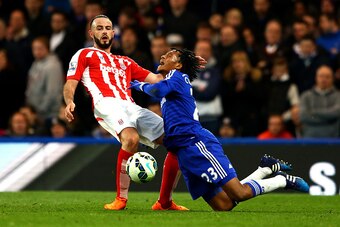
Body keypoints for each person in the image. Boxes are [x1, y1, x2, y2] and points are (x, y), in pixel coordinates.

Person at [129, 48, 309, 211]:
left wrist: (137, 84)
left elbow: (157, 91)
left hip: (196, 144)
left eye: (169, 55)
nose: (162, 56)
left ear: (178, 64)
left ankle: (282, 180)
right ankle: (264, 169)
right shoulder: (173, 80)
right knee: (224, 205)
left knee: (240, 193)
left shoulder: (177, 76)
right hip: (183, 152)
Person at [63, 15, 206, 211]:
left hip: (132, 107)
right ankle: (121, 199)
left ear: (114, 33)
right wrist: (69, 101)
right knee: (131, 138)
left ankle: (164, 202)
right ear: (91, 33)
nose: (104, 32)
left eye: (108, 28)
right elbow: (70, 82)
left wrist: (187, 63)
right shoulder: (84, 54)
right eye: (99, 28)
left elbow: (156, 79)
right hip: (106, 103)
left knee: (177, 140)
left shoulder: (125, 62)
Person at [299, 65, 340, 138]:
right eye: (321, 76)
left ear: (332, 79)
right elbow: (304, 116)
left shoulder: (338, 96)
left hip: (333, 140)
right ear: (316, 78)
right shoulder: (305, 96)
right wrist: (329, 120)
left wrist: (313, 112)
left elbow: (337, 113)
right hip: (309, 139)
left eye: (327, 77)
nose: (324, 79)